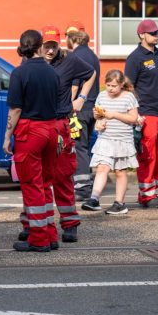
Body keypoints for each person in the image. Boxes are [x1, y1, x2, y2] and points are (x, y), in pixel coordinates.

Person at [17, 25, 92, 245]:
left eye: (53, 46)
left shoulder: (69, 60)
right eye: (46, 46)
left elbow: (91, 74)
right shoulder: (30, 62)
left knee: (61, 175)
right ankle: (33, 222)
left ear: (59, 43)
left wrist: (82, 98)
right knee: (35, 179)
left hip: (59, 123)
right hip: (38, 125)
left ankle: (69, 223)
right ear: (40, 45)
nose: (49, 51)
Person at [3, 30, 60, 253]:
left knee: (31, 185)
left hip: (30, 131)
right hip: (51, 128)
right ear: (40, 46)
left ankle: (38, 239)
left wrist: (8, 136)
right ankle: (50, 234)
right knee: (46, 184)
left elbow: (16, 108)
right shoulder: (52, 72)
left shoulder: (20, 73)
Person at [125, 19, 158, 208]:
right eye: (152, 33)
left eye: (157, 32)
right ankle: (147, 195)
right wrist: (135, 113)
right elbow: (128, 87)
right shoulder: (135, 57)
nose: (156, 35)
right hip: (147, 113)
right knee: (148, 155)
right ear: (141, 35)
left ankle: (152, 192)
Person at [81, 70, 139, 215]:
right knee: (102, 168)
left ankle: (120, 203)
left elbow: (133, 118)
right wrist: (99, 123)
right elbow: (98, 114)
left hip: (122, 140)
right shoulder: (101, 95)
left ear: (121, 85)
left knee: (120, 172)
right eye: (108, 85)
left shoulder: (129, 97)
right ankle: (94, 199)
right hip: (105, 138)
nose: (111, 89)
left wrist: (114, 115)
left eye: (114, 86)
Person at [67, 26, 101, 201]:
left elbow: (74, 85)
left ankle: (82, 188)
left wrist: (69, 104)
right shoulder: (93, 56)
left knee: (78, 146)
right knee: (85, 146)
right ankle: (86, 181)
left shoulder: (75, 56)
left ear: (73, 40)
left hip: (79, 108)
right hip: (92, 108)